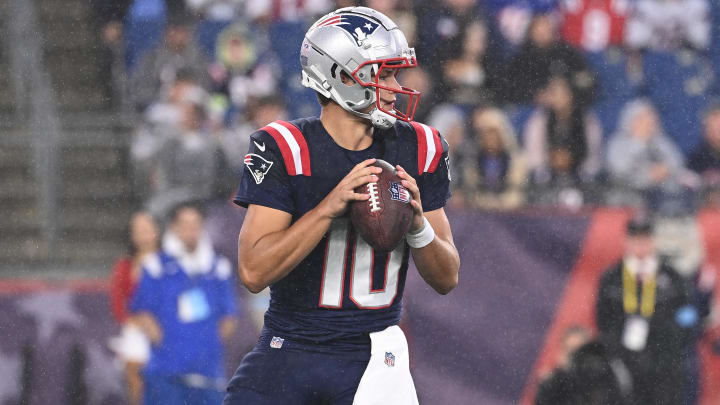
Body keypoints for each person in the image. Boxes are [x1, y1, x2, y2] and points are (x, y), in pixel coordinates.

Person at [224, 7, 460, 404]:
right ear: (341, 75)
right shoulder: (286, 147)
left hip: (375, 358)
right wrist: (326, 209)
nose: (396, 85)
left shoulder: (420, 146)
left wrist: (419, 227)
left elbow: (447, 277)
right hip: (291, 348)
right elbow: (253, 270)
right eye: (384, 74)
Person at [130, 203, 238, 405]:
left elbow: (229, 316)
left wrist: (207, 345)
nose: (191, 230)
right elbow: (142, 311)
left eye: (195, 224)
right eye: (185, 224)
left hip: (207, 372)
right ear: (174, 228)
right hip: (166, 373)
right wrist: (165, 344)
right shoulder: (155, 266)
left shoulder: (218, 268)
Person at [595, 217, 695, 405]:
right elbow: (603, 320)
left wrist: (669, 345)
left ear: (653, 241)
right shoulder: (611, 278)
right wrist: (617, 352)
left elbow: (688, 317)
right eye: (636, 240)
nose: (641, 245)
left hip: (664, 361)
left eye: (645, 240)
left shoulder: (672, 277)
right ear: (626, 241)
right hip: (624, 360)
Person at [606, 99, 697, 214]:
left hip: (660, 198)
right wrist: (648, 174)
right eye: (642, 118)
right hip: (627, 199)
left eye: (650, 118)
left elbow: (676, 162)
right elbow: (619, 171)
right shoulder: (617, 144)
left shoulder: (660, 141)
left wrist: (665, 170)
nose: (648, 122)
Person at [108, 211, 159, 405]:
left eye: (147, 228)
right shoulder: (124, 266)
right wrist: (141, 323)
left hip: (168, 328)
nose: (144, 233)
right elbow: (119, 306)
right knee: (136, 374)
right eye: (138, 230)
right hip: (136, 329)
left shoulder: (171, 263)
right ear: (131, 235)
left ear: (157, 231)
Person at [454, 106, 526, 210]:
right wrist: (484, 201)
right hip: (479, 213)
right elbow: (471, 189)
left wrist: (501, 203)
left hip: (510, 215)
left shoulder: (516, 161)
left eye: (493, 133)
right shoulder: (473, 161)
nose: (489, 139)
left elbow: (517, 192)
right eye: (485, 134)